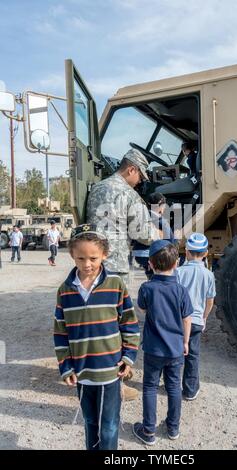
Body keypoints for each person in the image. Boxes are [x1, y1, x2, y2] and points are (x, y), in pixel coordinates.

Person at [53, 224, 140, 450]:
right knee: (90, 422)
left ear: (104, 254)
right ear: (72, 255)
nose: (87, 264)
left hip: (110, 371)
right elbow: (60, 333)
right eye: (80, 258)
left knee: (109, 425)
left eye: (93, 257)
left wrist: (128, 357)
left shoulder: (116, 285)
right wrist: (66, 367)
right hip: (82, 373)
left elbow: (129, 323)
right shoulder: (65, 291)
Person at [87, 148, 158, 400]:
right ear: (131, 170)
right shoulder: (128, 194)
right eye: (140, 177)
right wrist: (160, 234)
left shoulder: (97, 188)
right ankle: (113, 385)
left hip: (92, 265)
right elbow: (144, 234)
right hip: (115, 268)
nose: (140, 182)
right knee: (115, 327)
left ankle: (97, 373)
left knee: (96, 323)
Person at [133, 240, 193, 445]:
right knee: (174, 387)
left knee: (150, 387)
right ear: (176, 263)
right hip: (176, 348)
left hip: (153, 348)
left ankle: (148, 431)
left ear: (150, 263)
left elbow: (142, 310)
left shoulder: (146, 288)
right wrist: (185, 342)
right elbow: (187, 319)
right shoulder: (181, 291)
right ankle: (173, 428)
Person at [176, 233, 216, 400]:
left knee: (175, 354)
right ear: (206, 253)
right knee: (193, 355)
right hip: (197, 321)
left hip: (178, 321)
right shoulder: (209, 275)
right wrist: (205, 318)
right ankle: (190, 390)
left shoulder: (178, 272)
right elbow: (210, 301)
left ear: (187, 252)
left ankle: (172, 383)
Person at [133, 192, 176, 279]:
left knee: (150, 274)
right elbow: (169, 241)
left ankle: (150, 276)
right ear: (160, 206)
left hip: (138, 254)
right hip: (153, 255)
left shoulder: (141, 217)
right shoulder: (161, 221)